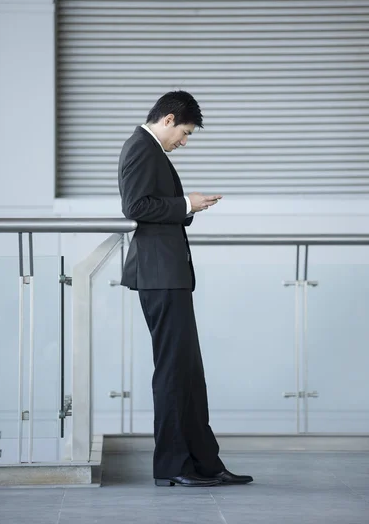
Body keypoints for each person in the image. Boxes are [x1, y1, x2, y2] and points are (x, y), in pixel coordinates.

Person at [118, 90, 253, 487]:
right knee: (175, 371)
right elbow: (136, 207)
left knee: (188, 371)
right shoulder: (141, 147)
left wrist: (186, 205)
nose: (185, 142)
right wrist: (186, 204)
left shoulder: (149, 149)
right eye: (186, 133)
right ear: (169, 119)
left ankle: (204, 462)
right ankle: (175, 466)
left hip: (169, 274)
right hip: (159, 275)